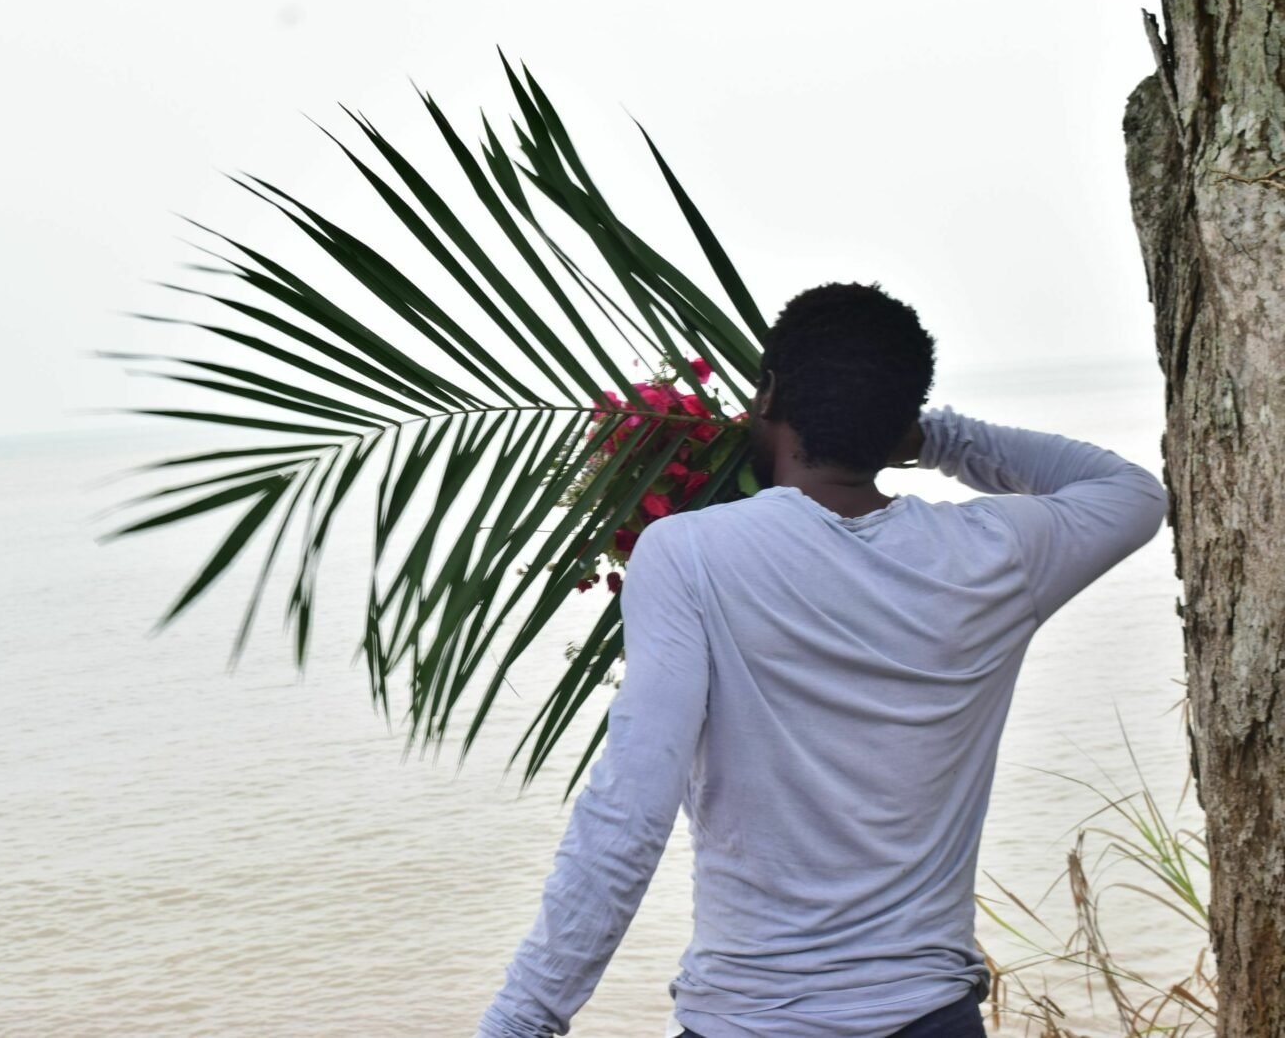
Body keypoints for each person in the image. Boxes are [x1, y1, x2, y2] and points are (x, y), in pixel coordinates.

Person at [474, 282, 1168, 1038]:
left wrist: (522, 1021)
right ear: (900, 421)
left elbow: (629, 808)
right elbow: (1128, 492)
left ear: (769, 394)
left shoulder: (691, 553)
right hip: (933, 1015)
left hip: (752, 1020)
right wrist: (930, 437)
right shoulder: (996, 554)